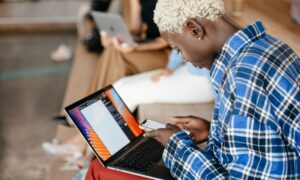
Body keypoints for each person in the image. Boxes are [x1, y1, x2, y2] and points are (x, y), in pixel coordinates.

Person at [86, 0, 300, 179]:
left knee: (99, 170)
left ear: (194, 30)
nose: (183, 58)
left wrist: (176, 145)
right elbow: (267, 134)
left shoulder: (244, 75)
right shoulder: (267, 47)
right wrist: (214, 131)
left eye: (178, 49)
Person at [88, 0, 169, 92]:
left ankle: (97, 100)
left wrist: (136, 47)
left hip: (167, 51)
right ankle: (102, 100)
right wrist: (114, 36)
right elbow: (134, 29)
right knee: (113, 48)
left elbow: (167, 41)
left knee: (118, 54)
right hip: (147, 42)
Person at [113, 49, 215, 112]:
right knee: (121, 84)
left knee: (126, 92)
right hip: (187, 68)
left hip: (205, 80)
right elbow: (181, 41)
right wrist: (170, 67)